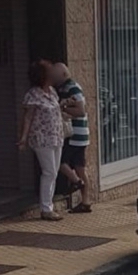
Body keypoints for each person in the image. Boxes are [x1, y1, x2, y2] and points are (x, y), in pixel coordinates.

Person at [19, 59, 66, 221]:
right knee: (49, 171)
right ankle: (46, 208)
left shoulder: (52, 92)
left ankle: (48, 205)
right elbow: (28, 117)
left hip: (56, 136)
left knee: (54, 171)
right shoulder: (33, 94)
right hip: (41, 137)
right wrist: (23, 137)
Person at [52, 63, 93, 214]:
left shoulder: (72, 88)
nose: (53, 77)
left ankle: (76, 182)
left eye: (55, 74)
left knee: (59, 161)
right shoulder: (64, 88)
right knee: (80, 167)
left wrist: (61, 108)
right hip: (79, 135)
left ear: (63, 74)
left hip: (74, 134)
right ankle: (85, 201)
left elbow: (81, 111)